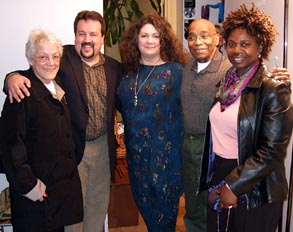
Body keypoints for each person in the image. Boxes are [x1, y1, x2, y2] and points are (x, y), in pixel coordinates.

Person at [3, 10, 122, 232]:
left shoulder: (114, 67)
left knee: (97, 210)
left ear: (103, 38)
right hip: (76, 149)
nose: (87, 40)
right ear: (75, 36)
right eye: (82, 33)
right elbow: (32, 71)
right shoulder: (63, 57)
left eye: (94, 34)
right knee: (72, 215)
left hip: (103, 148)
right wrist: (11, 78)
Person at [181, 17, 291, 232]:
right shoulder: (226, 82)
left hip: (256, 184)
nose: (236, 50)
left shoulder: (273, 89)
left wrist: (233, 184)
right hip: (220, 172)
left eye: (245, 44)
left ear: (260, 46)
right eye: (232, 44)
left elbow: (273, 151)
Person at [0, 29, 83, 232]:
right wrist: (29, 186)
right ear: (30, 59)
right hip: (35, 195)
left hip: (57, 195)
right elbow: (10, 144)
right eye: (42, 57)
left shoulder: (58, 85)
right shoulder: (21, 91)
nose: (50, 62)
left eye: (55, 56)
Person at [117, 13, 187, 232]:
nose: (149, 40)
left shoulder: (176, 72)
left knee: (164, 220)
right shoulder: (126, 74)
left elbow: (207, 83)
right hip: (136, 159)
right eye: (144, 35)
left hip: (166, 161)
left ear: (162, 40)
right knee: (148, 217)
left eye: (155, 36)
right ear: (135, 39)